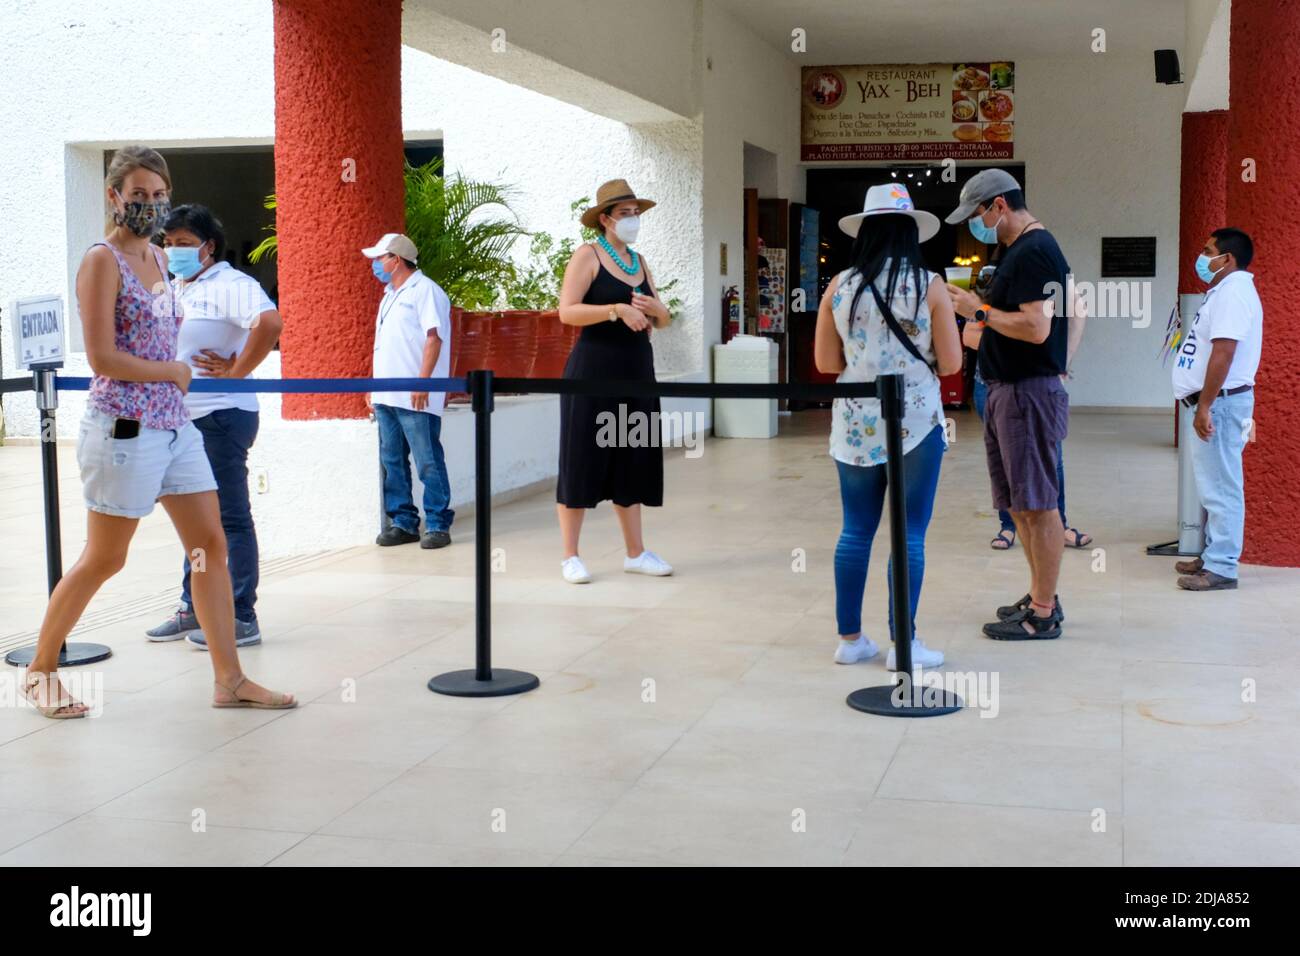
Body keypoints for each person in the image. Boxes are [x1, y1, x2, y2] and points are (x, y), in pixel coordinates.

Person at [22, 146, 294, 718]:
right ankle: (40, 670)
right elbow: (102, 356)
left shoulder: (159, 258)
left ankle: (229, 679)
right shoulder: (103, 260)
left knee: (209, 547)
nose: (149, 204)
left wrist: (193, 371)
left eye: (157, 195)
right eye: (138, 194)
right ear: (114, 196)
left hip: (176, 426)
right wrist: (173, 371)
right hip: (124, 426)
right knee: (105, 557)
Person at [815, 183, 962, 670]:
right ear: (908, 234)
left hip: (855, 419)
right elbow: (950, 365)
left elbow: (823, 360)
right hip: (916, 419)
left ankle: (851, 639)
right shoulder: (931, 285)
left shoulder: (838, 286)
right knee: (910, 533)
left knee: (855, 530)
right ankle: (905, 644)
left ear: (867, 232)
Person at [145, 204, 282, 648]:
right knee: (196, 520)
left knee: (229, 518)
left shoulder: (230, 284)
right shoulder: (175, 286)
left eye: (184, 244)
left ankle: (241, 615)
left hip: (222, 416)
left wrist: (238, 369)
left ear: (209, 246)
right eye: (168, 243)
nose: (173, 250)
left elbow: (269, 323)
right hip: (183, 420)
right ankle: (195, 607)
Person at [945, 168, 1071, 641]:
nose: (975, 226)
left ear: (998, 205)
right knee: (1020, 504)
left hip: (1026, 392)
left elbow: (1036, 328)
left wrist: (975, 310)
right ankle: (1041, 592)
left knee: (1038, 504)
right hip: (1007, 390)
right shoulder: (1018, 251)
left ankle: (1044, 609)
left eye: (977, 215)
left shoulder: (1035, 251)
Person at [555, 179, 672, 584]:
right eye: (624, 214)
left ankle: (635, 552)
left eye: (635, 213)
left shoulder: (639, 261)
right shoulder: (587, 256)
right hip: (593, 370)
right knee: (581, 457)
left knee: (632, 457)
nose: (633, 220)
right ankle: (570, 555)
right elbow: (567, 312)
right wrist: (615, 309)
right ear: (605, 219)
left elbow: (663, 318)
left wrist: (659, 309)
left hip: (636, 370)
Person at [967, 265, 1093, 551]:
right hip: (989, 385)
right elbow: (969, 336)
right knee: (1003, 460)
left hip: (1036, 385)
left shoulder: (1043, 297)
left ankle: (1058, 525)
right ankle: (1008, 526)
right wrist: (1010, 334)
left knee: (1052, 458)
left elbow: (1076, 313)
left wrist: (1060, 359)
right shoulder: (993, 299)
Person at [1170, 228, 1261, 591]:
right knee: (1213, 486)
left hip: (1221, 403)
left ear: (1228, 258)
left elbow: (1224, 351)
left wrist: (1205, 405)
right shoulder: (1224, 291)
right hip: (1216, 402)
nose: (1202, 257)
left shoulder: (1235, 291)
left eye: (1208, 251)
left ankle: (1222, 566)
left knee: (1222, 487)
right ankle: (1212, 556)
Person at [362, 233, 455, 549]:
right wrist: (373, 386)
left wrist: (422, 381)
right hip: (387, 394)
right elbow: (385, 345)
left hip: (417, 394)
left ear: (396, 260)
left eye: (380, 258)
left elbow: (434, 338)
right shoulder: (389, 294)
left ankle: (438, 523)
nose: (376, 264)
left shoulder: (426, 291)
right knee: (392, 459)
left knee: (427, 459)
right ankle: (403, 522)